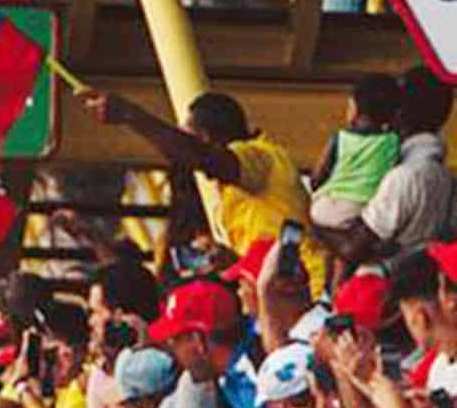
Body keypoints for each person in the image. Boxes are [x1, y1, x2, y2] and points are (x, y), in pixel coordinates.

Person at [81, 87, 325, 291]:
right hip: (279, 290)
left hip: (305, 289)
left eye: (187, 137)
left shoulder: (259, 156)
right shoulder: (240, 184)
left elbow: (200, 157)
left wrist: (130, 115)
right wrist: (229, 260)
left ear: (206, 139)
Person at [318, 67, 456, 265]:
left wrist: (312, 223)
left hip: (385, 285)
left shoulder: (404, 177)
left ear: (401, 112)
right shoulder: (443, 176)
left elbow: (352, 249)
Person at [308, 74, 401, 231]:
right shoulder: (392, 141)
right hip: (360, 214)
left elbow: (316, 179)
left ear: (354, 109)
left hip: (322, 210)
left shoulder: (339, 137)